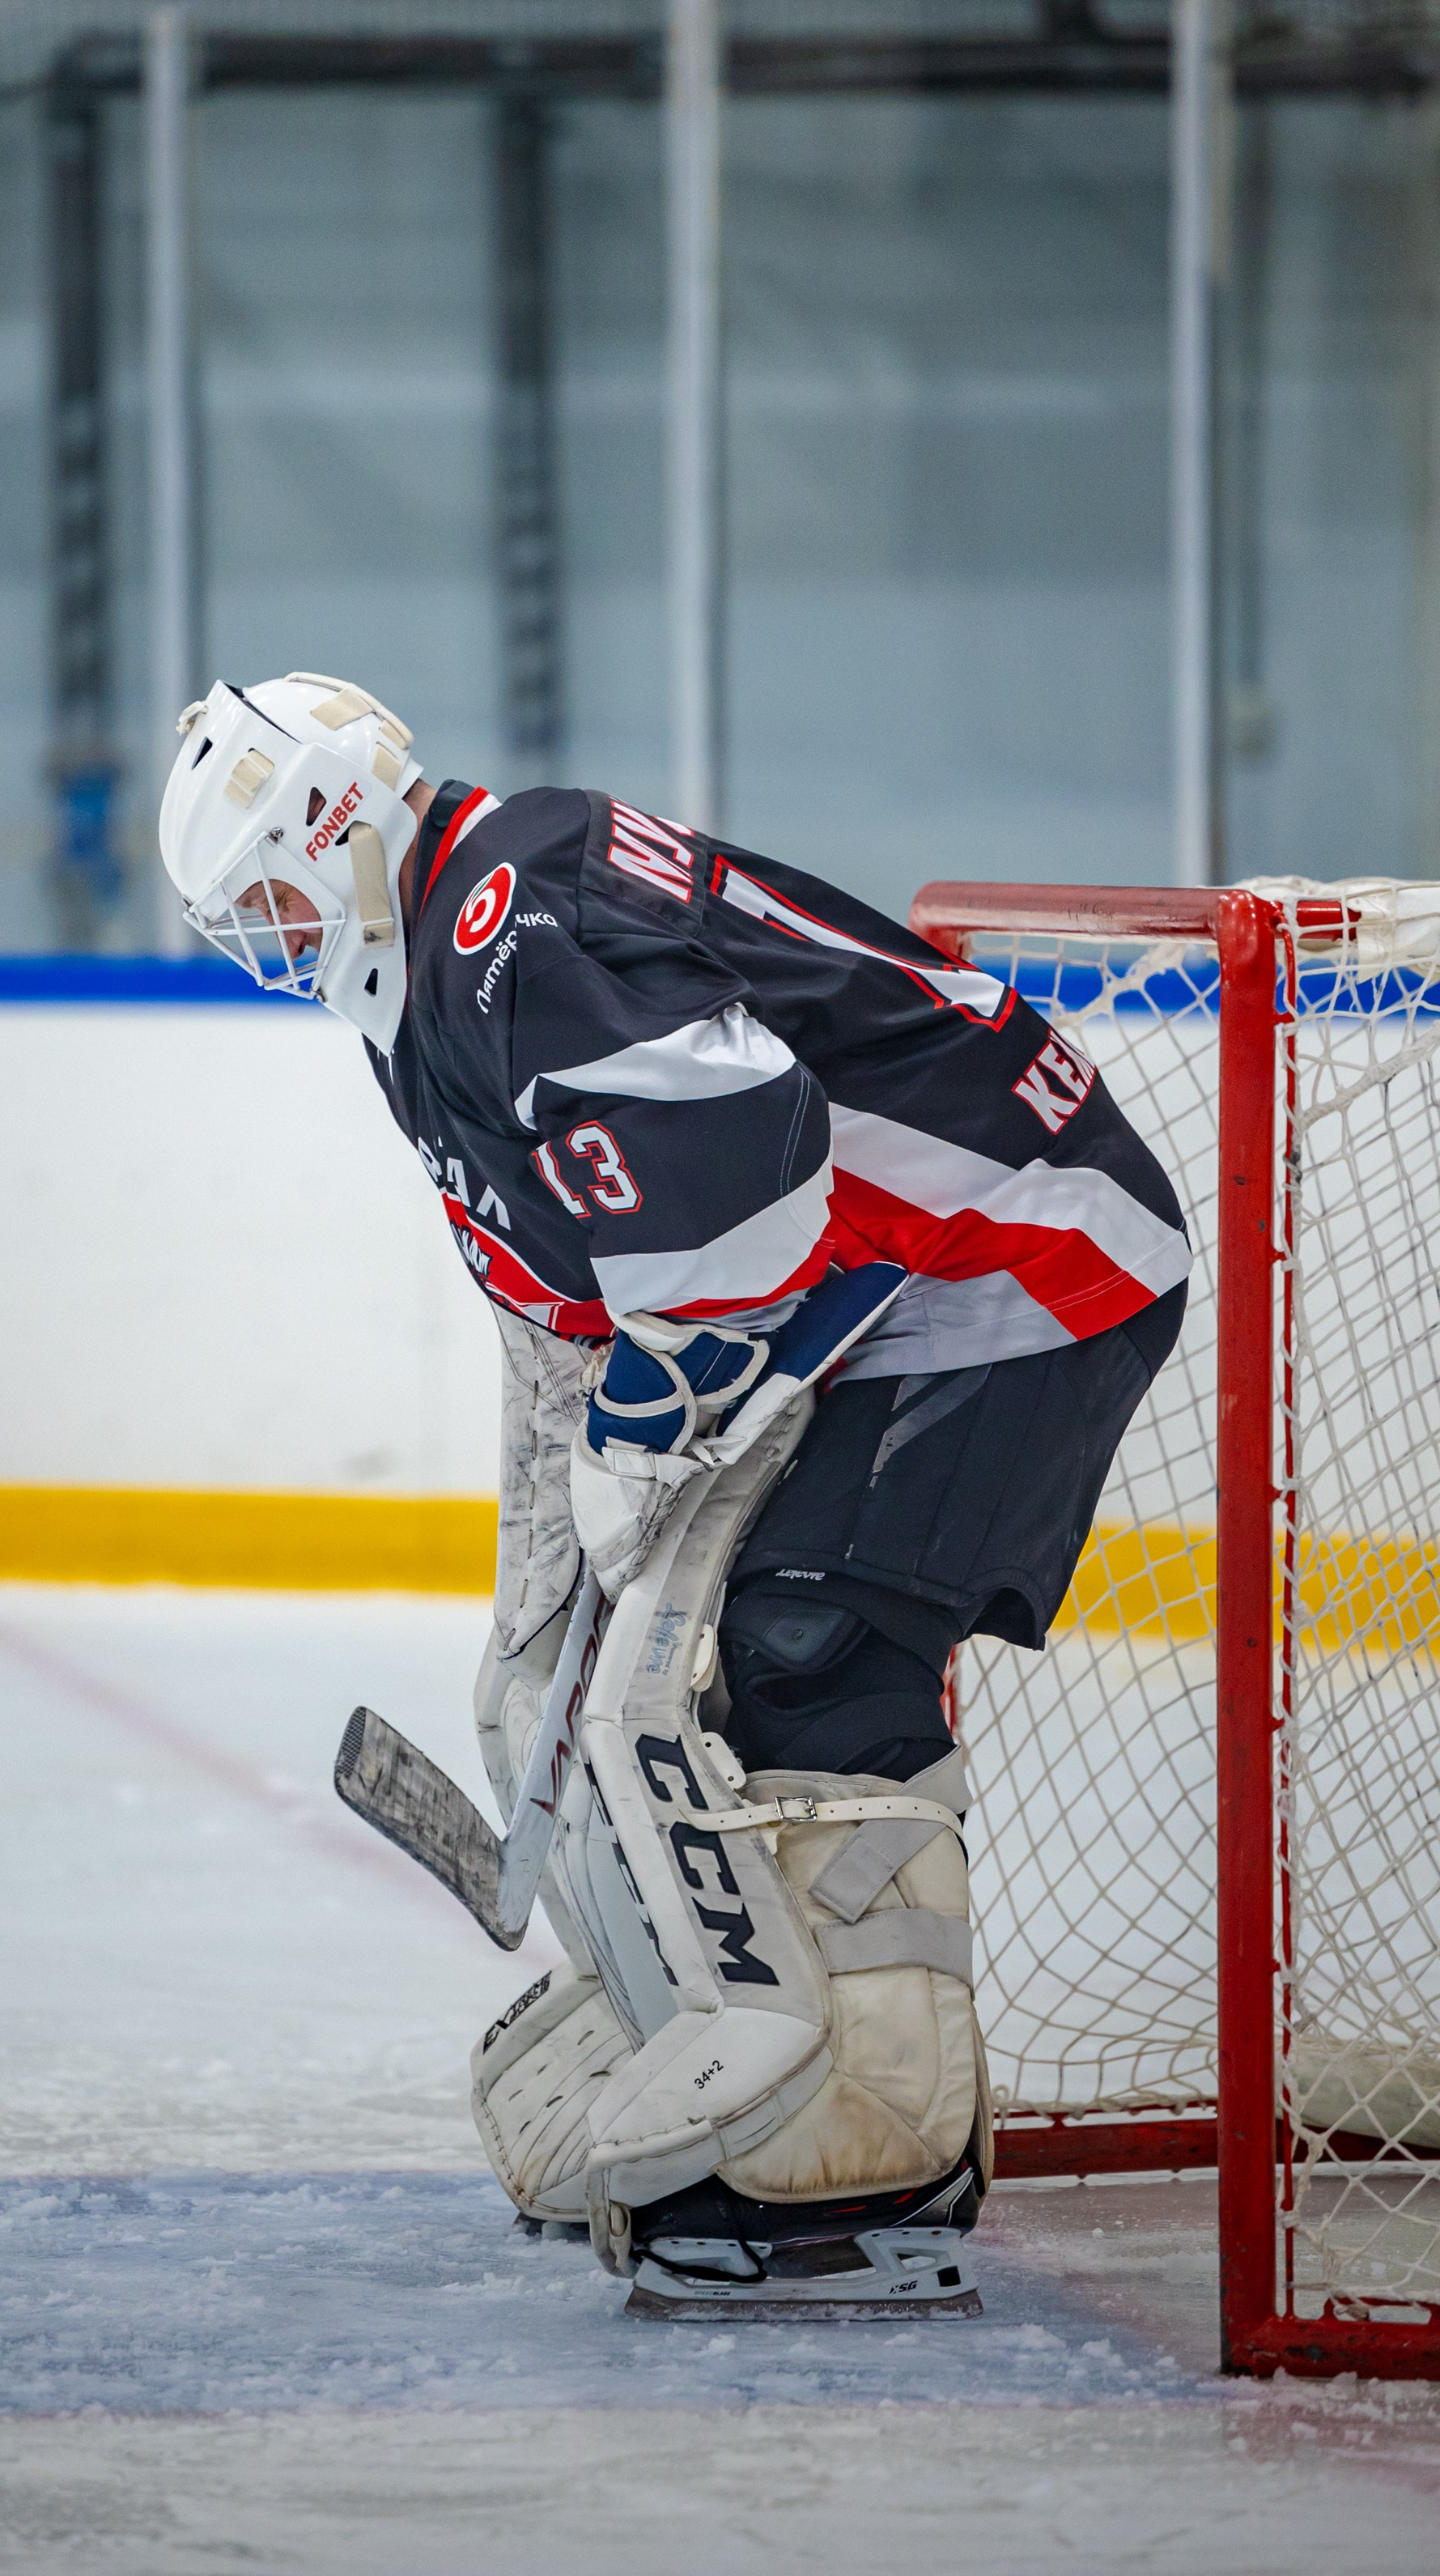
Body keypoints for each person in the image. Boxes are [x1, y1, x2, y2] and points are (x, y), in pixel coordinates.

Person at [159, 671, 1188, 2310]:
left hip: (1025, 1254)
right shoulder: (431, 983)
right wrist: (547, 1562)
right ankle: (775, 2050)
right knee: (726, 1658)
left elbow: (747, 1182)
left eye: (273, 897)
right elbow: (557, 1303)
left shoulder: (511, 928)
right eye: (241, 926)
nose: (271, 945)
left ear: (340, 828)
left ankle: (878, 2156)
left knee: (807, 1649)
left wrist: (645, 1426)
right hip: (889, 1284)